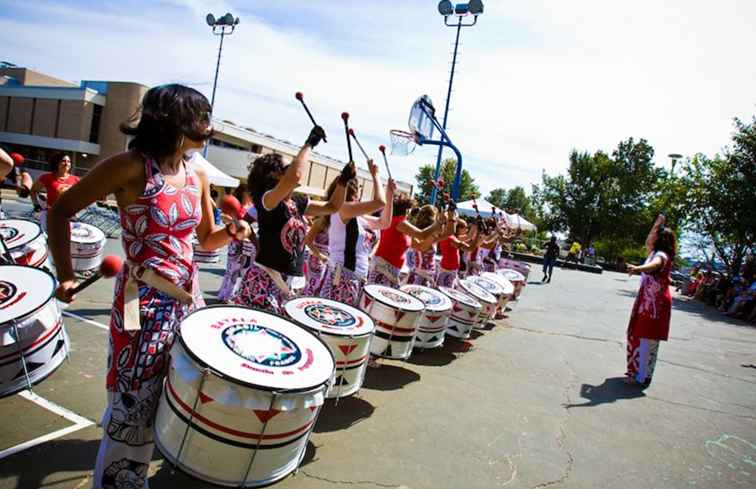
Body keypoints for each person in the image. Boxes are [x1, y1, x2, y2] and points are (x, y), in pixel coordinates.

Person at [47, 84, 250, 489]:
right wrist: (67, 274)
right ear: (175, 119)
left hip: (186, 301)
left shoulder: (198, 174)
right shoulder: (131, 166)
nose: (208, 125)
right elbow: (61, 211)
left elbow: (207, 239)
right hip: (142, 305)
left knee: (173, 397)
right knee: (132, 407)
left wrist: (233, 231)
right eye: (202, 116)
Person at [235, 130, 351, 314]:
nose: (292, 168)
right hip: (264, 282)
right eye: (286, 167)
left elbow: (333, 206)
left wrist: (343, 182)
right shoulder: (268, 199)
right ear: (275, 176)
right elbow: (295, 175)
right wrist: (309, 144)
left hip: (287, 284)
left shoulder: (298, 202)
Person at [320, 160, 393, 305]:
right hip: (342, 279)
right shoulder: (343, 209)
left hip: (355, 279)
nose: (361, 190)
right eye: (359, 187)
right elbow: (379, 202)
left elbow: (384, 223)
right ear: (352, 190)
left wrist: (389, 193)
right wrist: (375, 175)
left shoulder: (356, 216)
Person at [625, 214, 676, 386]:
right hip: (650, 301)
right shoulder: (655, 251)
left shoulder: (660, 255)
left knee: (647, 339)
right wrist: (657, 224)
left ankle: (641, 377)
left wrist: (638, 268)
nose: (651, 237)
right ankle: (639, 373)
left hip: (654, 304)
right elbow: (648, 241)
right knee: (641, 337)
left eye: (655, 235)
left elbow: (655, 265)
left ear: (660, 240)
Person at [369, 195, 443, 287]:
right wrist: (437, 224)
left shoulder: (397, 223)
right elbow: (421, 235)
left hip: (389, 270)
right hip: (384, 268)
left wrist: (436, 234)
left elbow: (420, 245)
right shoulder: (399, 222)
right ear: (406, 210)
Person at [217, 184, 254, 302]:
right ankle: (225, 296)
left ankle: (231, 295)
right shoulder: (236, 205)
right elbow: (223, 215)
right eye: (249, 191)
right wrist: (233, 222)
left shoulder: (252, 206)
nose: (251, 194)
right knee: (232, 270)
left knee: (242, 272)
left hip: (248, 243)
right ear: (244, 192)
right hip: (235, 242)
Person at [31, 152, 80, 230]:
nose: (66, 163)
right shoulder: (47, 177)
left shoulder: (76, 179)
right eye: (63, 161)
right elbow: (33, 190)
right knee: (50, 239)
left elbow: (81, 196)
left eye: (69, 161)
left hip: (69, 217)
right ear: (56, 162)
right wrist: (36, 205)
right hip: (51, 215)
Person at [406, 205, 448, 286]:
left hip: (428, 277)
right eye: (435, 217)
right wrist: (439, 225)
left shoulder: (432, 236)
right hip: (417, 277)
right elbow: (422, 247)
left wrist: (450, 218)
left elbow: (449, 232)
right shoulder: (414, 235)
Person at [436, 217, 474, 288]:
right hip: (448, 268)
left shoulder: (453, 237)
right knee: (446, 290)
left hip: (451, 268)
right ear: (458, 228)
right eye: (465, 227)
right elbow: (469, 241)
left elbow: (469, 236)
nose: (467, 229)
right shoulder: (451, 238)